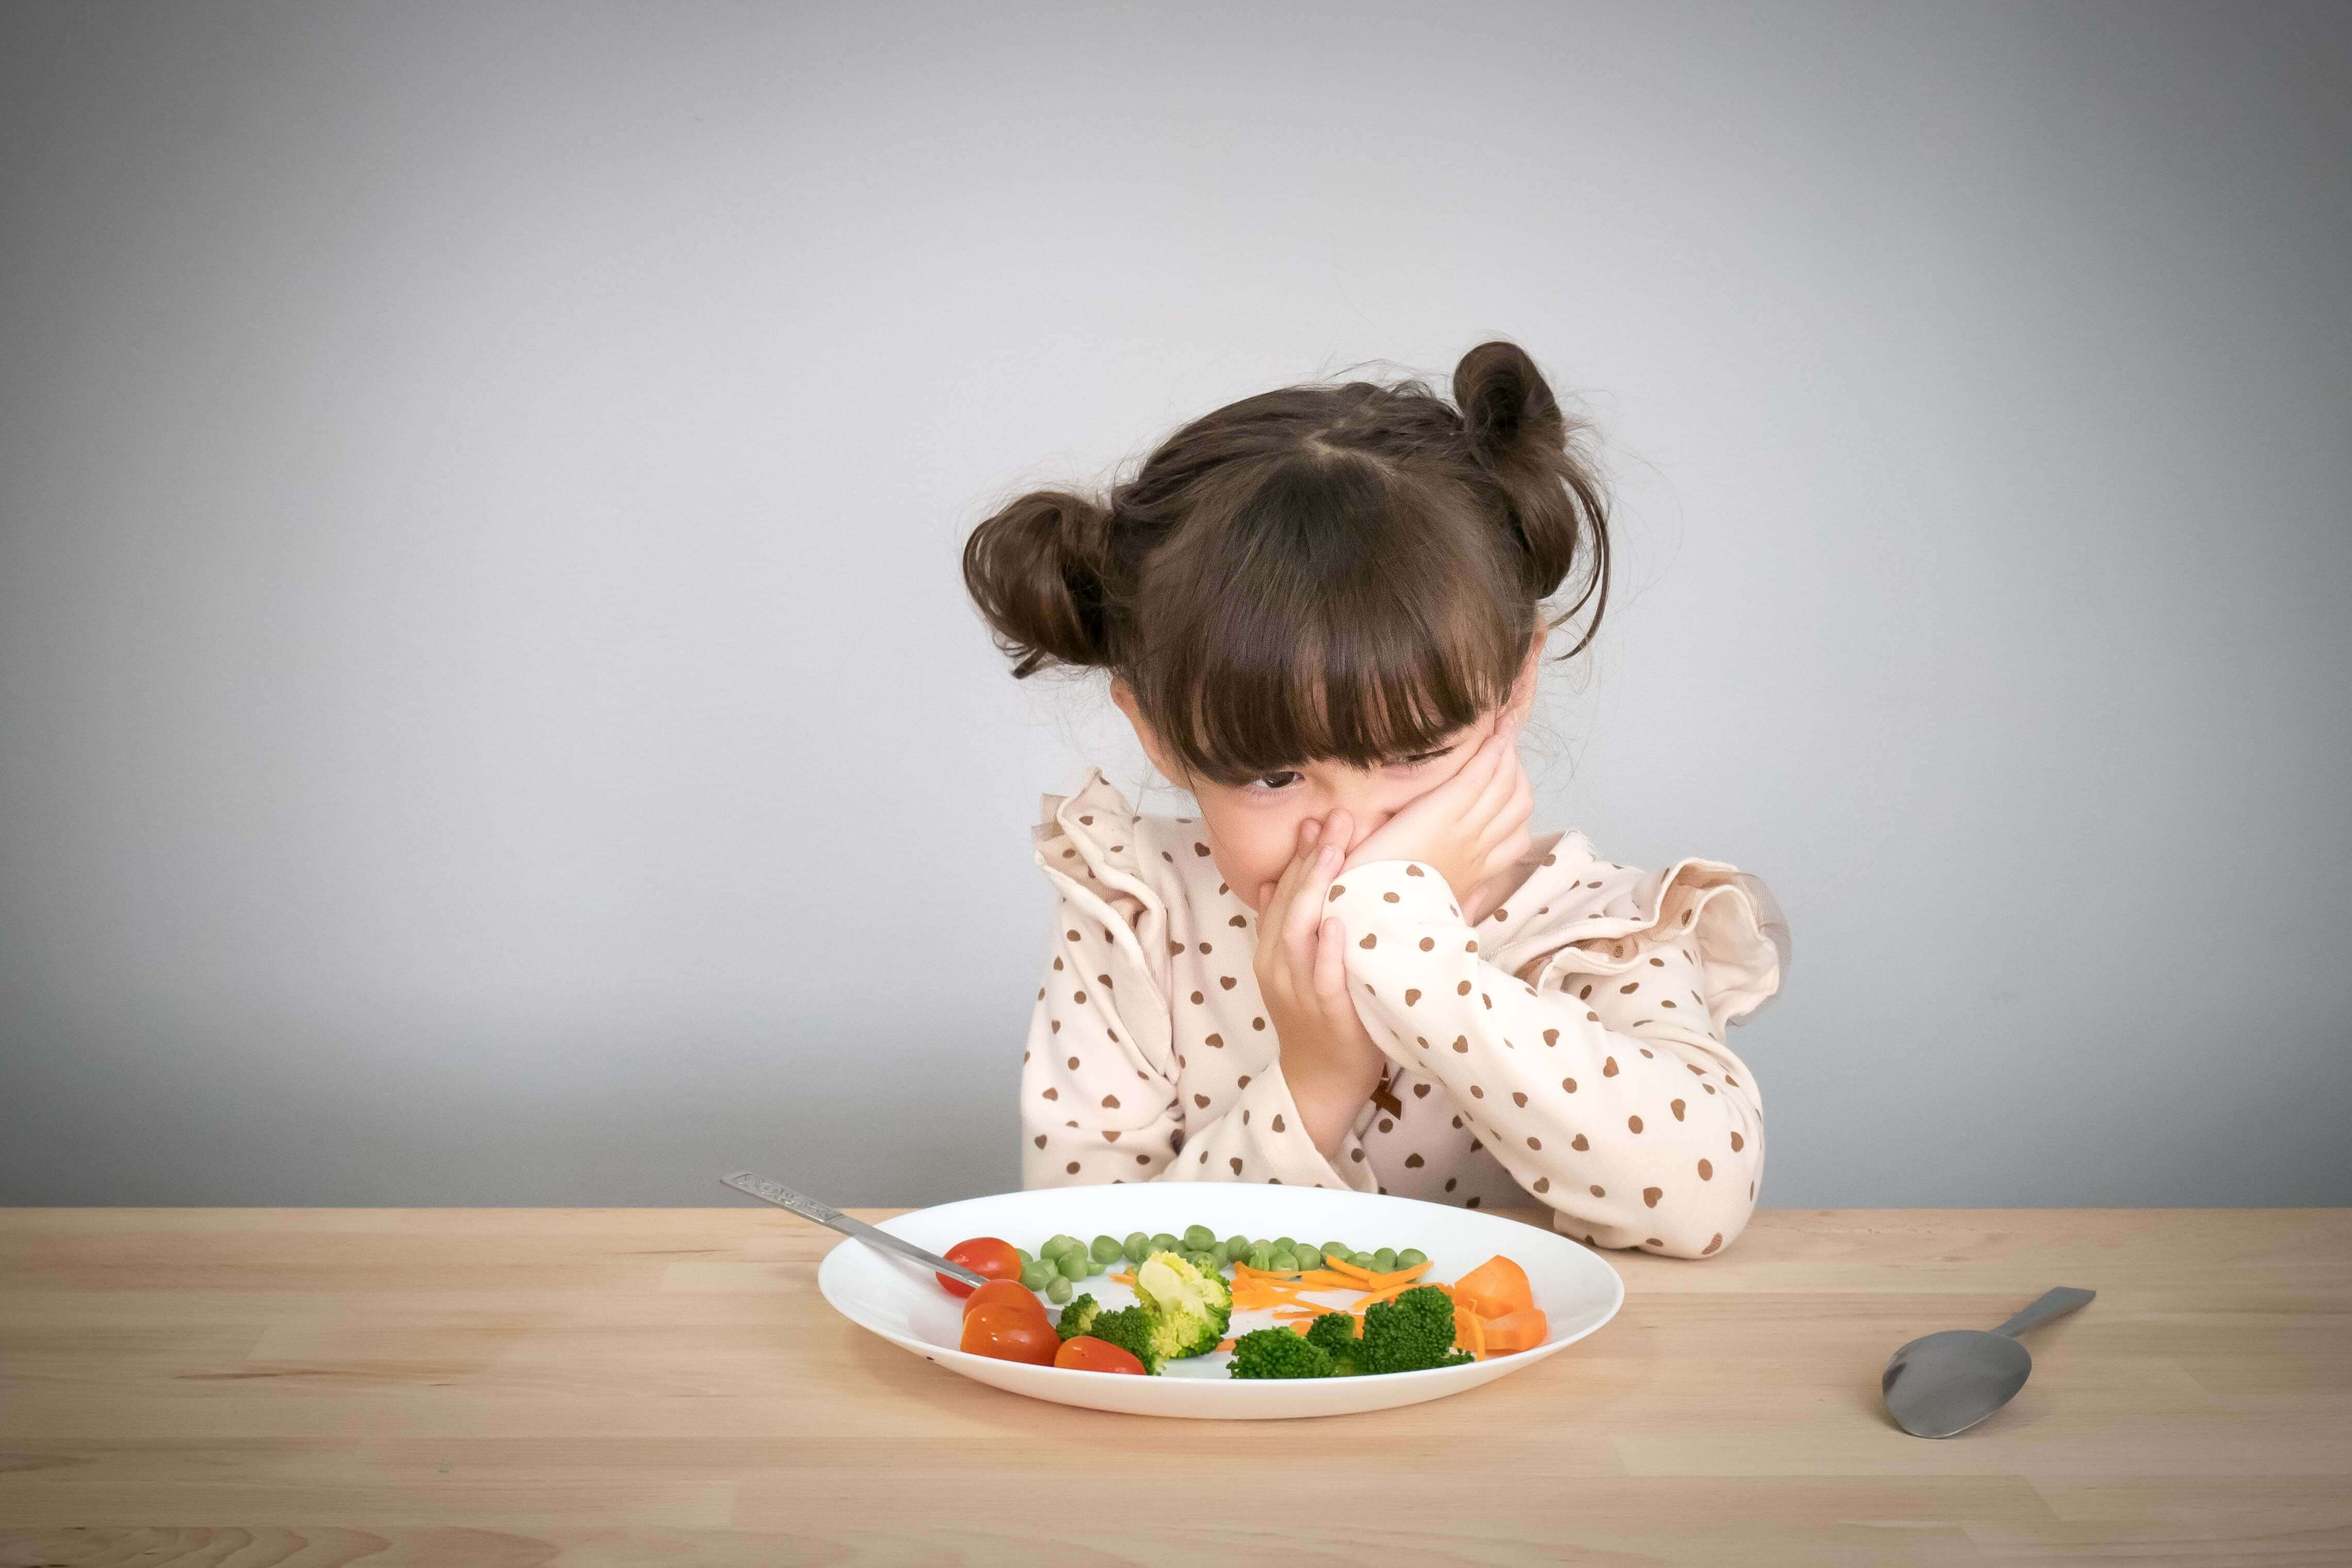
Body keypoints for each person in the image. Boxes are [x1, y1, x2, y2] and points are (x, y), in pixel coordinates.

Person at [959, 340, 1790, 1258]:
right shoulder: (1136, 918)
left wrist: (1411, 953)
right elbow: (1095, 1262)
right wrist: (1318, 1081)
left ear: (1514, 685)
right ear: (1156, 732)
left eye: (1414, 757)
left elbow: (1697, 1202)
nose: (1351, 837)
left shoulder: (1594, 931)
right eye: (1274, 777)